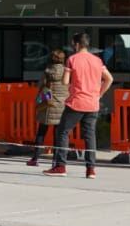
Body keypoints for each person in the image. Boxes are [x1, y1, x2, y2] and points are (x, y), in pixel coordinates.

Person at [45, 34, 112, 178]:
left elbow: (65, 81)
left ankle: (60, 166)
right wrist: (99, 94)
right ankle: (90, 169)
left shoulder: (72, 59)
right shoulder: (97, 60)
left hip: (76, 102)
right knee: (90, 136)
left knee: (62, 131)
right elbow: (109, 79)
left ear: (76, 45)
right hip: (92, 104)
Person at [28, 49, 70, 167]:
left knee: (41, 131)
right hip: (62, 105)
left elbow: (40, 86)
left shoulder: (47, 71)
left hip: (48, 104)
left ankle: (35, 158)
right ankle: (56, 160)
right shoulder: (66, 72)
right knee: (58, 133)